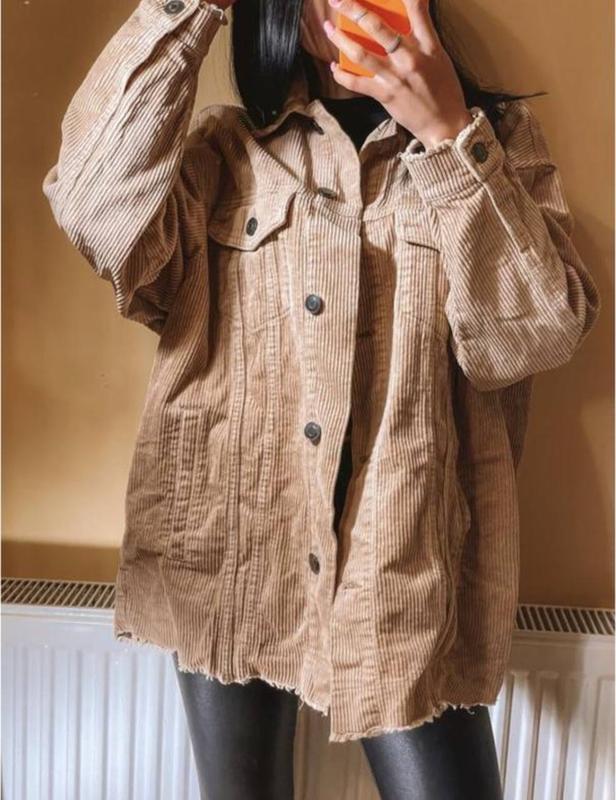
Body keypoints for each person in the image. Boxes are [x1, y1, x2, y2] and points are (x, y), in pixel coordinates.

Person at [41, 1, 601, 798]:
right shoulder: (223, 151)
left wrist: (448, 134)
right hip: (234, 554)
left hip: (405, 568)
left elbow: (534, 337)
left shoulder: (492, 144)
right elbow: (92, 211)